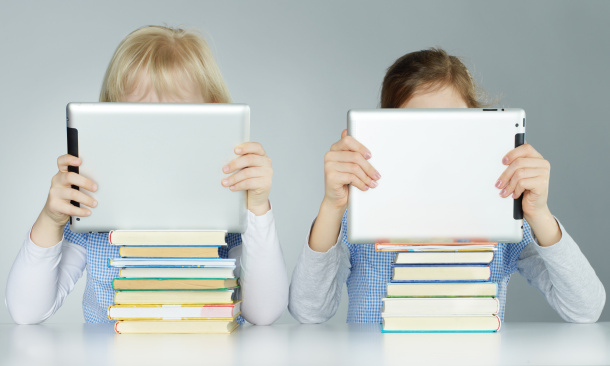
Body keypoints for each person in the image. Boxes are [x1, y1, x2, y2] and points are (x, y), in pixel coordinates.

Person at [289, 48, 606, 324]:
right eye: (418, 129)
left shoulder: (504, 217)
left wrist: (539, 213)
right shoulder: (359, 217)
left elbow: (585, 308)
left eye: (452, 127)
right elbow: (309, 311)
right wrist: (332, 206)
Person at [6, 25, 288, 325]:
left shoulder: (226, 214)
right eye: (141, 122)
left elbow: (265, 312)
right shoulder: (94, 217)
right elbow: (26, 312)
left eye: (178, 120)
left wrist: (257, 209)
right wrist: (50, 220)